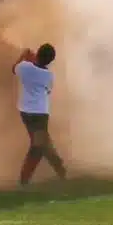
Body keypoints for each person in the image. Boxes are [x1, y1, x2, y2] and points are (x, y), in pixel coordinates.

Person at [14, 43, 67, 186]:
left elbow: (15, 69)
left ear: (37, 53)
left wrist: (24, 55)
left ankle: (60, 171)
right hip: (40, 113)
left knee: (41, 145)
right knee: (39, 146)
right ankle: (25, 181)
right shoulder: (49, 75)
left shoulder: (25, 67)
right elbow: (48, 91)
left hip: (25, 112)